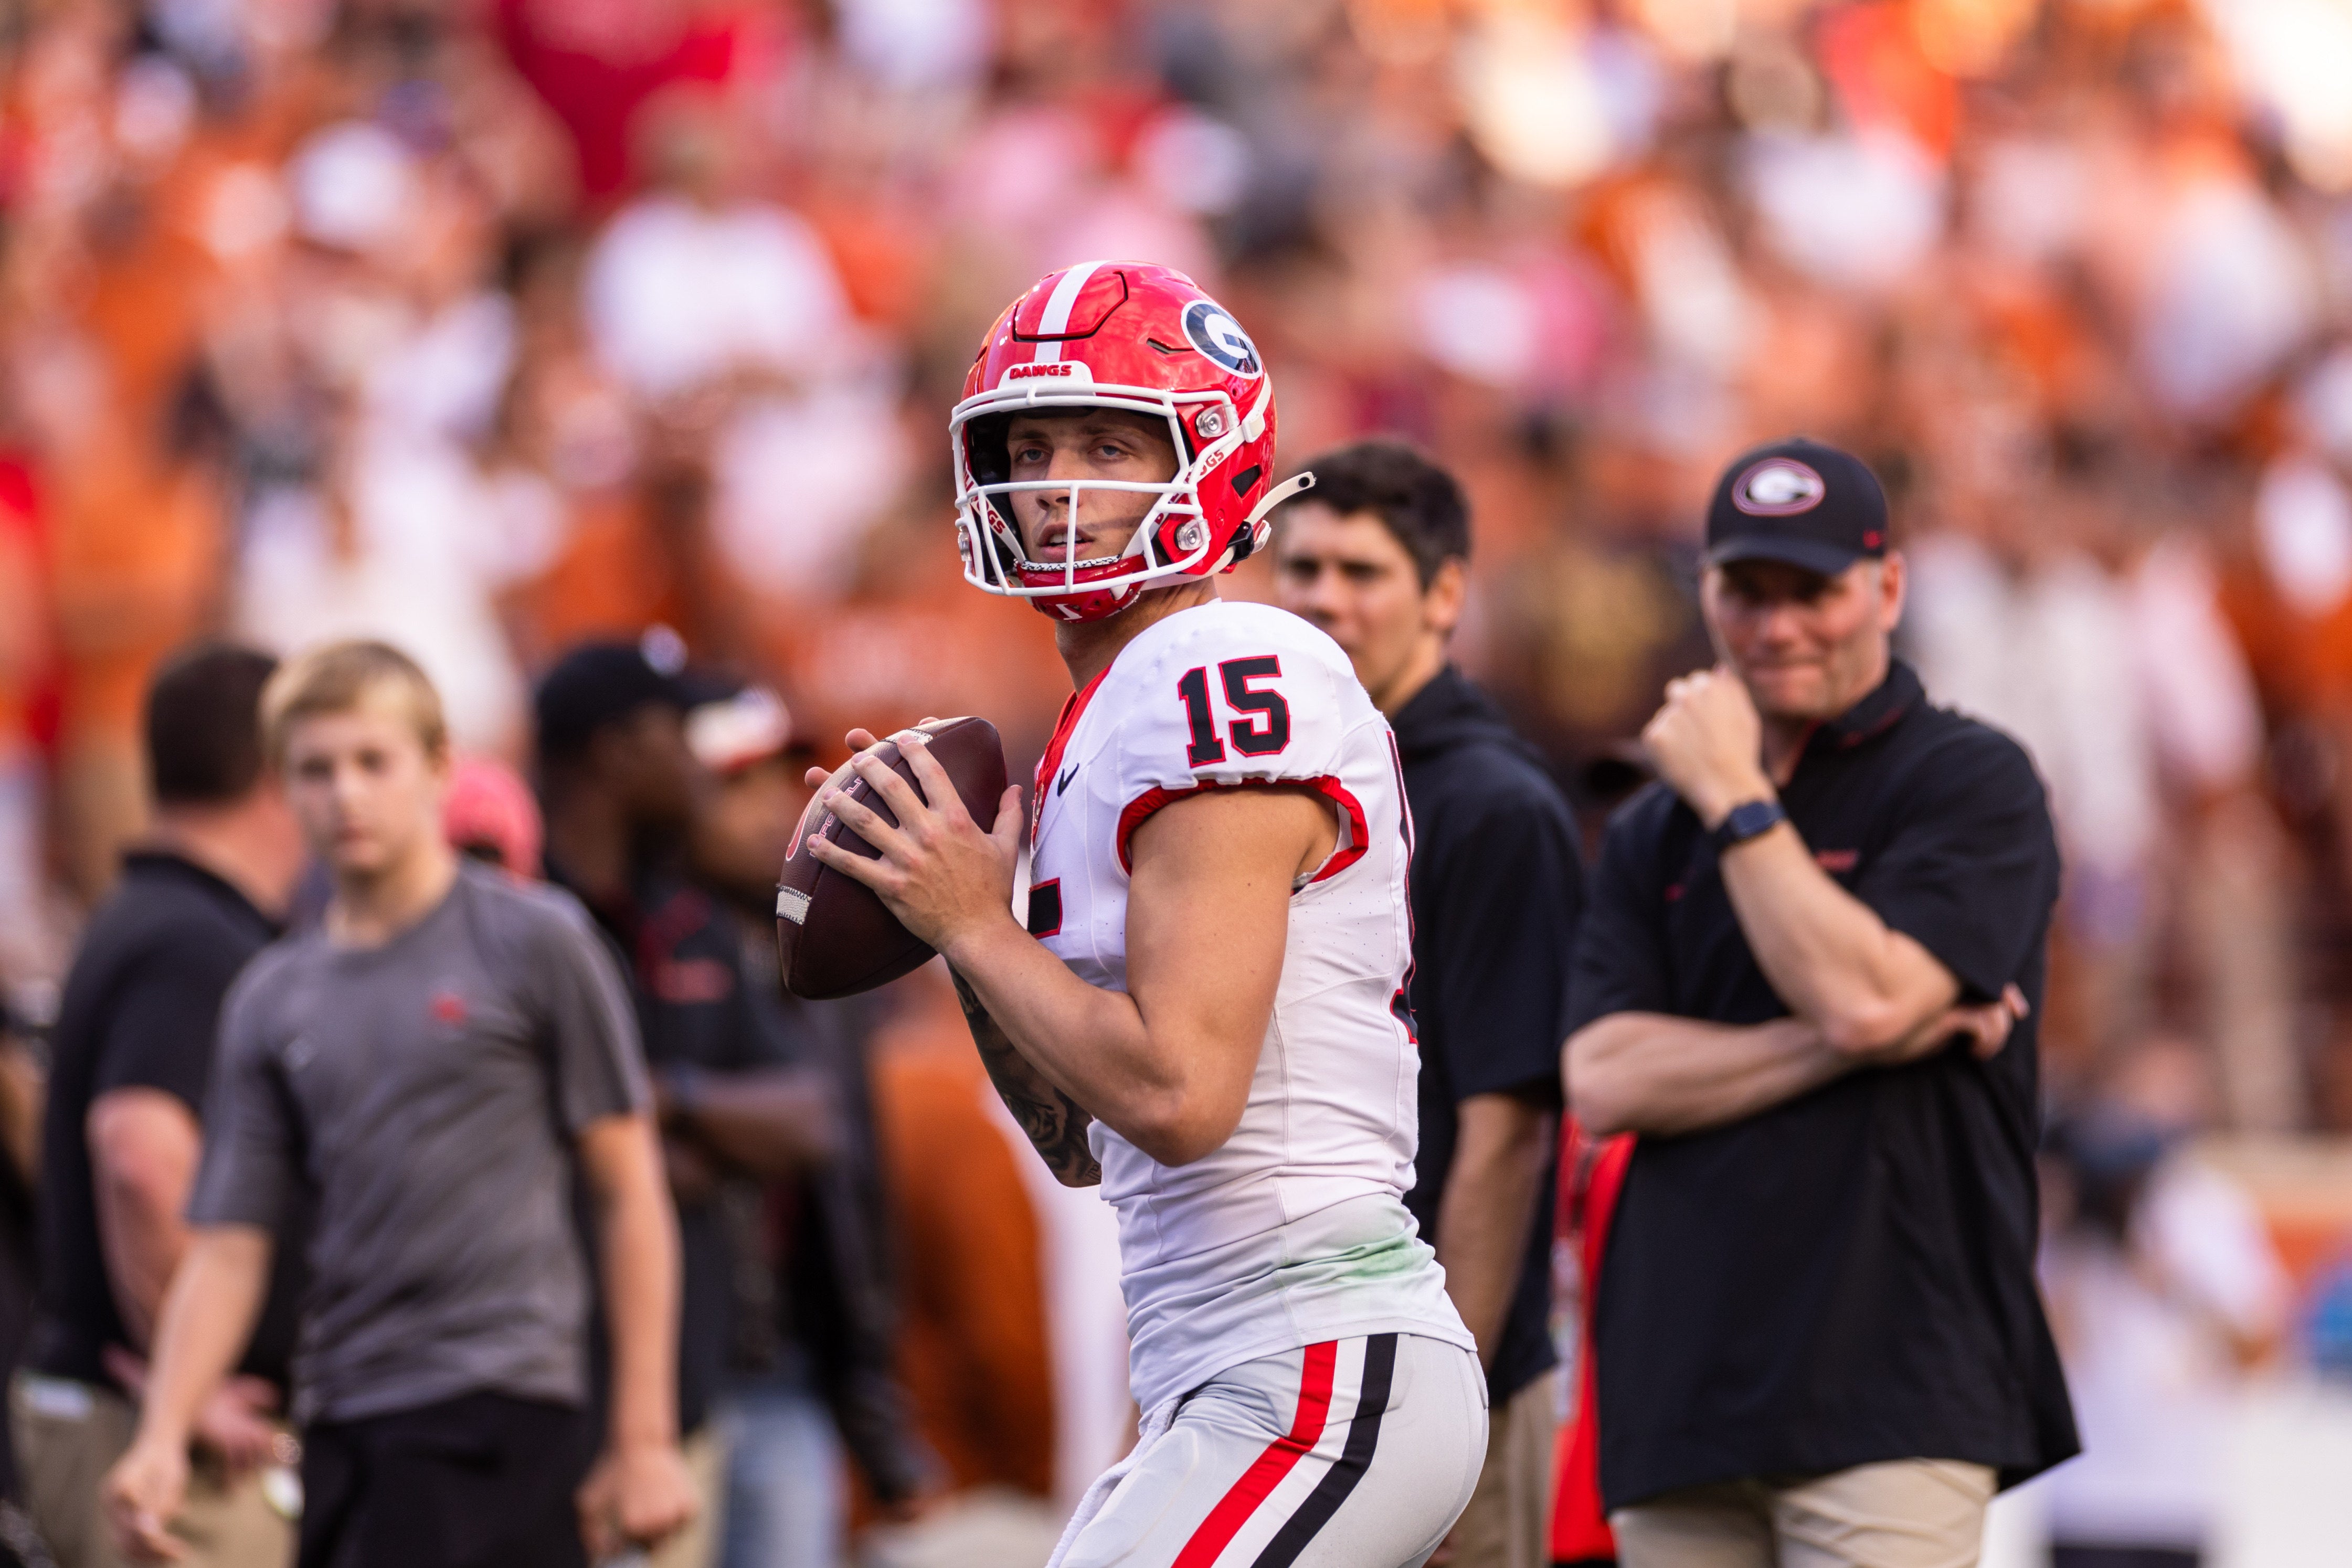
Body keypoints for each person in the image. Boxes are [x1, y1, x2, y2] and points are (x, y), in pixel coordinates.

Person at [803, 261, 1485, 1568]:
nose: (1059, 484)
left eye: (1110, 444)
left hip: (1314, 1354)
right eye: (1032, 445)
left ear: (1214, 460)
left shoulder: (1221, 663)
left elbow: (1183, 1095)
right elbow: (1083, 1143)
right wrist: (966, 932)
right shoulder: (1102, 718)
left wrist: (977, 927)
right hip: (1221, 1364)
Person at [1563, 438, 2079, 1566]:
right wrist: (1857, 1041)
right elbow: (1603, 1077)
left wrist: (1739, 798)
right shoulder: (1655, 822)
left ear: (1888, 587)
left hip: (1893, 1386)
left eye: (1816, 591)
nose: (1778, 625)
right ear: (1705, 591)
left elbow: (1860, 992)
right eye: (1747, 591)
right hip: (1681, 1392)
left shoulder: (1969, 779)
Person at [99, 640, 697, 1568]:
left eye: (373, 762)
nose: (345, 795)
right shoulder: (271, 995)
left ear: (437, 767)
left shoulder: (535, 941)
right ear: (283, 788)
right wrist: (162, 1435)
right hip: (341, 1415)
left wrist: (644, 1438)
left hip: (502, 1406)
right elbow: (229, 1245)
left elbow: (628, 1189)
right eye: (315, 770)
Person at [1272, 439, 1583, 1568]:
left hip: (1444, 1381)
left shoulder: (1496, 806)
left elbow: (1506, 1133)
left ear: (1446, 593)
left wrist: (1437, 1402)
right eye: (1301, 570)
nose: (1323, 600)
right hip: (1296, 1362)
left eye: (1362, 573)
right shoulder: (1292, 787)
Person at [535, 640, 844, 1568]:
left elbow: (809, 1121)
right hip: (556, 1400)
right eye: (677, 732)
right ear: (617, 750)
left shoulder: (691, 918)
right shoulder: (515, 918)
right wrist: (667, 1140)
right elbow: (537, 1155)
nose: (694, 760)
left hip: (705, 1388)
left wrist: (655, 1101)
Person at [16, 644, 306, 1568]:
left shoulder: (157, 913)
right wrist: (197, 1384)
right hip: (172, 1452)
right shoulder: (192, 939)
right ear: (275, 767)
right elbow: (139, 1155)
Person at [681, 679, 934, 1568]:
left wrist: (872, 1413)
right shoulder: (640, 946)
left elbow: (850, 1198)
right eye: (734, 784)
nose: (766, 813)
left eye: (780, 782)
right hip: (669, 1386)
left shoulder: (824, 960)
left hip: (788, 1367)